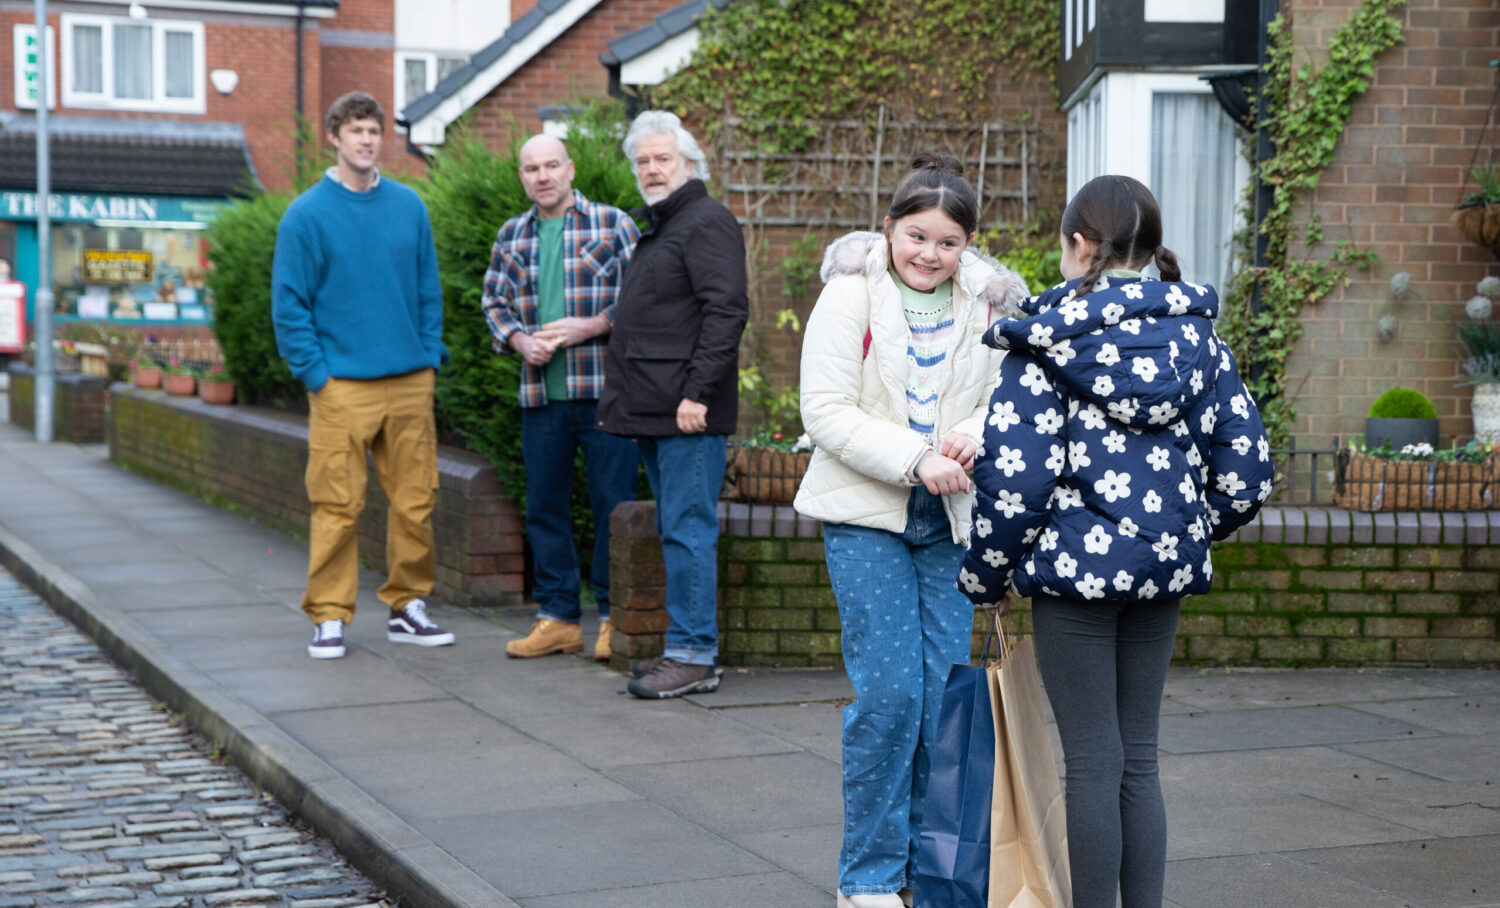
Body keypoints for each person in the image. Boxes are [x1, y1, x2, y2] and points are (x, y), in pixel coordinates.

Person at [960, 175, 1273, 908]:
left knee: (1093, 763)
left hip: (1073, 584)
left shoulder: (1046, 344)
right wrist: (1179, 534)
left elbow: (1017, 482)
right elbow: (1248, 473)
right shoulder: (1200, 341)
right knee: (1139, 760)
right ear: (1151, 248)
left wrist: (986, 575)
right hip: (1161, 579)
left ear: (1079, 244)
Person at [793, 153, 1030, 908]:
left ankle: (930, 874)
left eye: (948, 242)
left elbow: (1006, 398)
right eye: (917, 236)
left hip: (951, 515)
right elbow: (825, 410)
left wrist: (970, 434)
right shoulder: (849, 294)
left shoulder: (989, 305)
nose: (929, 254)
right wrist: (917, 457)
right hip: (867, 514)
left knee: (941, 701)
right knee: (891, 696)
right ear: (889, 228)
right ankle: (867, 877)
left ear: (968, 245)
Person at [272, 91, 454, 660]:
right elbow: (289, 305)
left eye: (374, 130)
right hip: (341, 385)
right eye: (356, 130)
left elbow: (428, 289)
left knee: (416, 499)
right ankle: (329, 614)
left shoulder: (409, 206)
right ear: (335, 137)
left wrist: (429, 355)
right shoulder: (306, 215)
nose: (367, 140)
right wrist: (316, 375)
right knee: (337, 502)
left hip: (409, 379)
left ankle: (407, 605)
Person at [596, 111, 748, 699]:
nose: (652, 169)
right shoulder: (665, 226)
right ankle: (683, 648)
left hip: (688, 412)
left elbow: (726, 312)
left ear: (689, 163)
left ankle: (693, 656)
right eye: (643, 161)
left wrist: (696, 393)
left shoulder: (706, 222)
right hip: (660, 409)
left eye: (663, 158)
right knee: (676, 530)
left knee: (687, 532)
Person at [481, 134, 641, 662]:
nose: (543, 176)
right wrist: (516, 340)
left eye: (551, 165)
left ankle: (613, 619)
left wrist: (593, 325)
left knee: (613, 507)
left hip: (605, 394)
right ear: (522, 177)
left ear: (570, 169)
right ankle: (558, 619)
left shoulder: (613, 224)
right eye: (532, 168)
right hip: (540, 397)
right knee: (545, 508)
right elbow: (494, 301)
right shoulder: (511, 235)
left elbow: (643, 297)